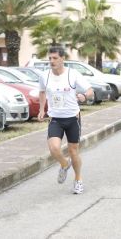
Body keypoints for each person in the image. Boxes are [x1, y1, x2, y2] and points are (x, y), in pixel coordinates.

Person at [38, 46, 94, 194]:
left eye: (55, 58)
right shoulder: (45, 76)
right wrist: (41, 109)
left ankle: (78, 180)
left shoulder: (72, 74)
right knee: (54, 148)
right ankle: (64, 164)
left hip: (72, 118)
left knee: (73, 151)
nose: (52, 61)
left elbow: (90, 90)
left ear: (63, 59)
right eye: (50, 58)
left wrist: (84, 96)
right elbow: (42, 92)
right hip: (55, 118)